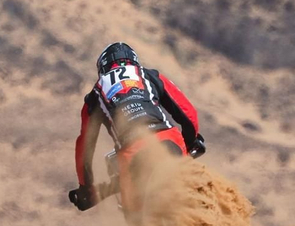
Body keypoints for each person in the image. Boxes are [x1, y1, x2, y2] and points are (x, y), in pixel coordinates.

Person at [68, 42, 205, 213]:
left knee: (134, 217)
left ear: (102, 68)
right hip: (168, 138)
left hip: (131, 151)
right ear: (134, 61)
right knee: (196, 187)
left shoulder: (95, 96)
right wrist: (190, 142)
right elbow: (188, 113)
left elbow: (84, 149)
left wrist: (85, 187)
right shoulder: (148, 75)